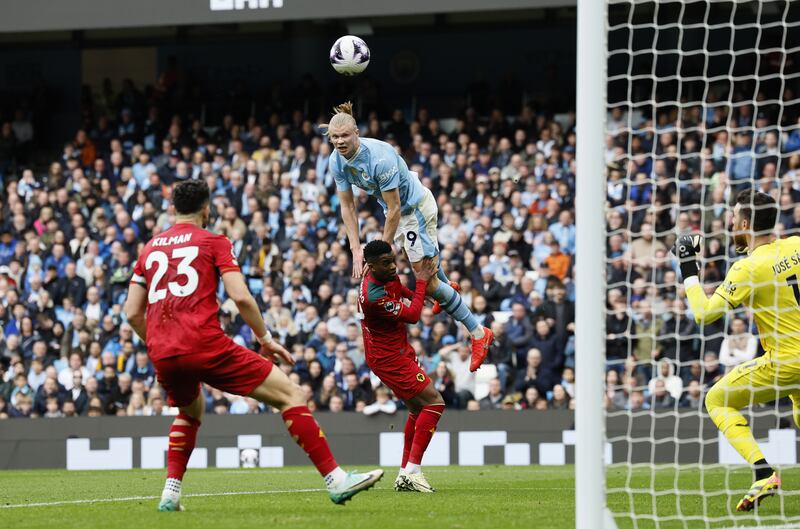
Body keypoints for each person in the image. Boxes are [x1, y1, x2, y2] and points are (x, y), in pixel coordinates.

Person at [124, 180, 382, 511]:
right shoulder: (214, 241)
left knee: (190, 411)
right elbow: (241, 296)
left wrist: (158, 344)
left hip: (162, 351)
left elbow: (132, 312)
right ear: (207, 210)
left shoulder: (149, 249)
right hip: (204, 342)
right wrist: (266, 339)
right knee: (290, 395)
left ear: (172, 209)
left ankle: (170, 494)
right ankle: (335, 479)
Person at [323, 102, 493, 372]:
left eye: (345, 136)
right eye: (335, 137)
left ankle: (478, 333)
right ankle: (447, 289)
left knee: (428, 280)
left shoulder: (380, 157)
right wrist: (355, 249)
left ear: (357, 132)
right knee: (430, 272)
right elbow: (347, 205)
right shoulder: (336, 161)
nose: (340, 142)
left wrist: (380, 255)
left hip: (414, 211)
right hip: (399, 214)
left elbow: (395, 209)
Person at [675, 189, 792, 511]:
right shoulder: (797, 245)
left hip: (786, 362)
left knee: (716, 399)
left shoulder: (748, 268)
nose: (729, 224)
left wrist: (687, 265)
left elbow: (704, 314)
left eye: (732, 218)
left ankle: (763, 472)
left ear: (744, 223)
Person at [358, 240, 443, 493]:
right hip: (387, 358)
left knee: (418, 409)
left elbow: (399, 291)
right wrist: (422, 282)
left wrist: (420, 294)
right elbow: (414, 316)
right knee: (435, 402)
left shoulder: (383, 274)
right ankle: (413, 471)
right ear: (371, 266)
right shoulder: (373, 296)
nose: (394, 267)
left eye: (393, 260)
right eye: (386, 264)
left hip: (398, 349)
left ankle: (405, 473)